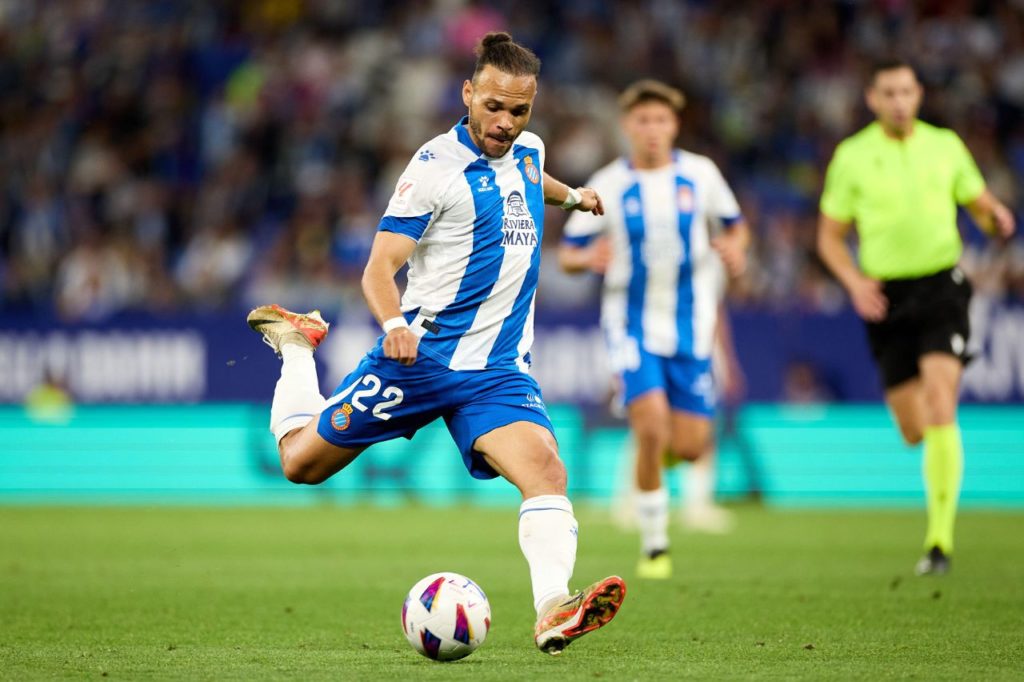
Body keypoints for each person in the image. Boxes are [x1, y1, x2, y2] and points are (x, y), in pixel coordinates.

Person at [246, 33, 625, 655]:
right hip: (419, 361)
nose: (506, 123)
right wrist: (394, 326)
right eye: (494, 107)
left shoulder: (528, 149)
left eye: (520, 111)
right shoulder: (432, 171)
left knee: (547, 472)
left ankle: (553, 609)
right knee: (299, 465)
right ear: (468, 93)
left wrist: (576, 197)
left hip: (499, 370)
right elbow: (377, 269)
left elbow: (534, 173)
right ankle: (296, 346)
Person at [817, 59, 1016, 576]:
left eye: (907, 91)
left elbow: (977, 202)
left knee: (940, 402)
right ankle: (941, 464)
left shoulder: (945, 145)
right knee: (914, 427)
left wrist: (994, 214)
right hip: (885, 296)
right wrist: (855, 282)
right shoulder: (853, 156)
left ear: (919, 94)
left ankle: (939, 543)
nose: (900, 101)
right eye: (889, 93)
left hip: (941, 286)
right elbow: (829, 237)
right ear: (872, 98)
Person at [558, 80, 750, 579]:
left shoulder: (701, 175)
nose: (652, 130)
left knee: (687, 446)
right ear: (627, 126)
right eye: (642, 121)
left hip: (692, 324)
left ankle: (649, 481)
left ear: (675, 126)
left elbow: (735, 225)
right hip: (630, 323)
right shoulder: (609, 183)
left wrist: (736, 248)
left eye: (661, 121)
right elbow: (567, 251)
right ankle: (655, 545)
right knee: (649, 427)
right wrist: (587, 258)